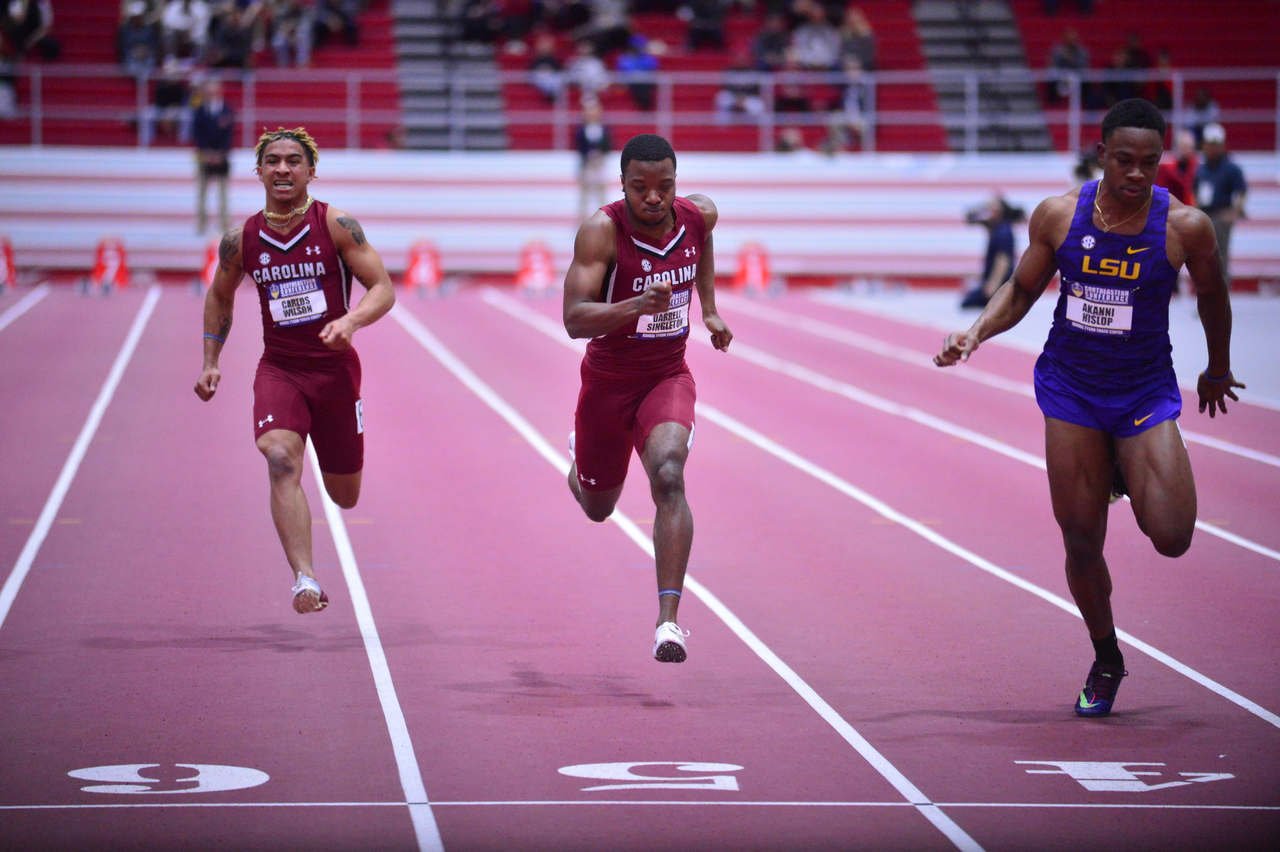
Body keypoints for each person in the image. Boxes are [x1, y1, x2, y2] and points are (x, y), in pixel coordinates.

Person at [933, 99, 1243, 718]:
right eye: (1124, 160)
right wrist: (975, 333)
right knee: (1080, 543)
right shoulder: (1059, 216)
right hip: (1071, 389)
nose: (1136, 174)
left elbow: (1213, 297)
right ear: (1102, 153)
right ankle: (1107, 658)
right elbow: (1022, 289)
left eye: (1149, 163)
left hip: (1142, 391)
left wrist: (1216, 367)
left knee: (1175, 537)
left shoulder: (1186, 228)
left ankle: (1124, 470)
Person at [194, 127, 395, 614]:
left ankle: (314, 548)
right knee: (280, 457)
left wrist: (349, 320)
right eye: (273, 161)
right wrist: (211, 361)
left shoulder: (337, 224)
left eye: (293, 161)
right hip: (280, 368)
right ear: (259, 170)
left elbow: (383, 288)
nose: (283, 168)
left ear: (310, 170)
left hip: (335, 372)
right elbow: (220, 295)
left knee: (345, 496)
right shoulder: (240, 238)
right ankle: (304, 578)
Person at [562, 134, 733, 663]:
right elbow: (573, 319)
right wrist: (637, 305)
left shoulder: (699, 215)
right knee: (598, 508)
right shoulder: (601, 231)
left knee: (668, 472)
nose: (654, 198)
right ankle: (580, 458)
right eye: (641, 188)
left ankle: (668, 622)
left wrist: (708, 309)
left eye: (665, 186)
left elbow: (700, 247)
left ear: (677, 182)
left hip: (666, 375)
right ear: (623, 184)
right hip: (608, 383)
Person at [1194, 123, 1246, 291]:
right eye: (1210, 144)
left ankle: (1221, 296)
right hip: (1204, 215)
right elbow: (1195, 190)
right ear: (1204, 145)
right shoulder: (1202, 168)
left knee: (1220, 257)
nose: (1213, 148)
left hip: (1221, 217)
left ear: (1223, 145)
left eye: (1216, 144)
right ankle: (1206, 295)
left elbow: (1242, 191)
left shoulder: (1231, 168)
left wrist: (1234, 213)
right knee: (1203, 257)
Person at [960, 193, 1023, 309]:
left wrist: (993, 284)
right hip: (992, 280)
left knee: (967, 303)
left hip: (999, 283)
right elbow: (970, 219)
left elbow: (1003, 259)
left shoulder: (1003, 231)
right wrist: (983, 206)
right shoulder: (995, 226)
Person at [192, 76, 234, 234]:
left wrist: (220, 153)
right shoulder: (200, 110)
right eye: (208, 91)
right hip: (204, 154)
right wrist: (206, 152)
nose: (210, 94)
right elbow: (197, 134)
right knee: (202, 190)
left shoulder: (226, 109)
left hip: (222, 155)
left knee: (223, 191)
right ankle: (201, 223)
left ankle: (224, 223)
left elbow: (229, 134)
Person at [575, 99, 611, 220]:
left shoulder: (604, 128)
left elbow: (609, 145)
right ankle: (581, 220)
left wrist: (600, 153)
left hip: (599, 163)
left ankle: (603, 218)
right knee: (584, 193)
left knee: (601, 191)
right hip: (587, 164)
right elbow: (578, 147)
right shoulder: (581, 129)